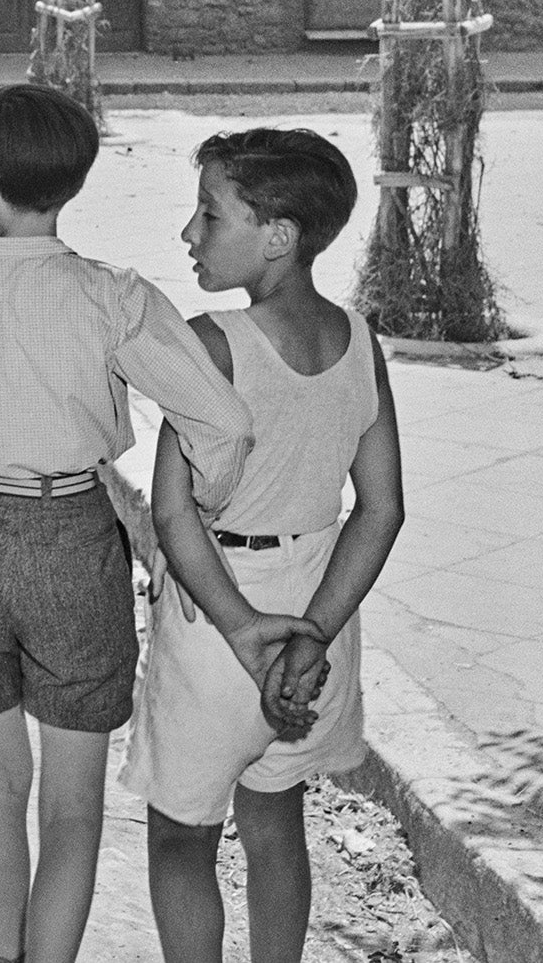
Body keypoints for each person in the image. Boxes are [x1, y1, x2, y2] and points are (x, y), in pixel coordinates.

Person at [0, 84, 260, 963]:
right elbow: (220, 424)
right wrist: (184, 527)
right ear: (70, 186)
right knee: (73, 803)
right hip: (74, 536)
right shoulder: (115, 297)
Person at [123, 128, 404, 963]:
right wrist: (310, 635)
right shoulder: (357, 340)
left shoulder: (211, 347)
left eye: (209, 216)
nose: (188, 235)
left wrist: (247, 632)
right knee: (275, 821)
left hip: (221, 619)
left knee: (180, 839)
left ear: (277, 237)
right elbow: (380, 511)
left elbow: (174, 518)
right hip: (318, 609)